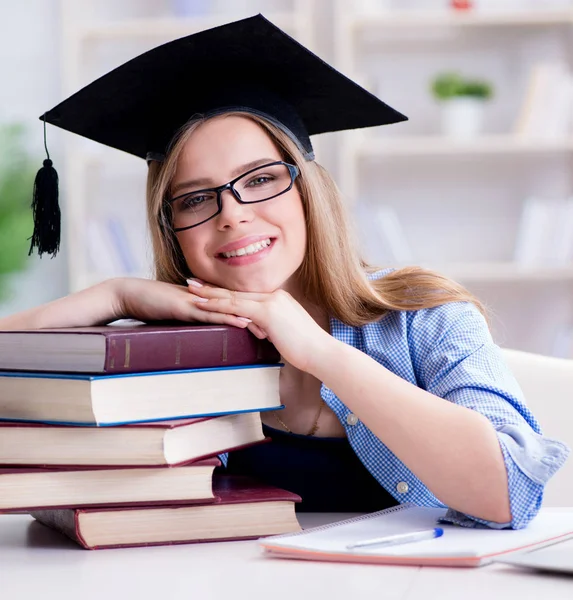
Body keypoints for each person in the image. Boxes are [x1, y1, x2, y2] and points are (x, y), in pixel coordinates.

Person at [1, 15, 568, 528]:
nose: (232, 215)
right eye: (196, 199)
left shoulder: (425, 318)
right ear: (170, 226)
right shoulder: (163, 357)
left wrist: (318, 352)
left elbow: (509, 494)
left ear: (307, 190)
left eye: (261, 179)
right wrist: (114, 296)